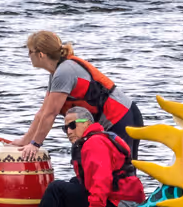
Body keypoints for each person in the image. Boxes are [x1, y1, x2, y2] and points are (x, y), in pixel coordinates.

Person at [13, 31, 145, 160]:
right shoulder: (56, 73)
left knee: (122, 171)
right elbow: (43, 112)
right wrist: (26, 141)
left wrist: (35, 144)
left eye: (30, 51)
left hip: (122, 118)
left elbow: (50, 114)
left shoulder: (64, 72)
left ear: (41, 54)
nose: (28, 55)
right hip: (112, 120)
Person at [38, 108, 147, 207]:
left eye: (72, 125)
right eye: (65, 128)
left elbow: (102, 178)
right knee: (74, 183)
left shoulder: (94, 143)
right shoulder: (99, 138)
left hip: (122, 206)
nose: (68, 131)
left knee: (56, 188)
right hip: (128, 202)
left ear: (87, 123)